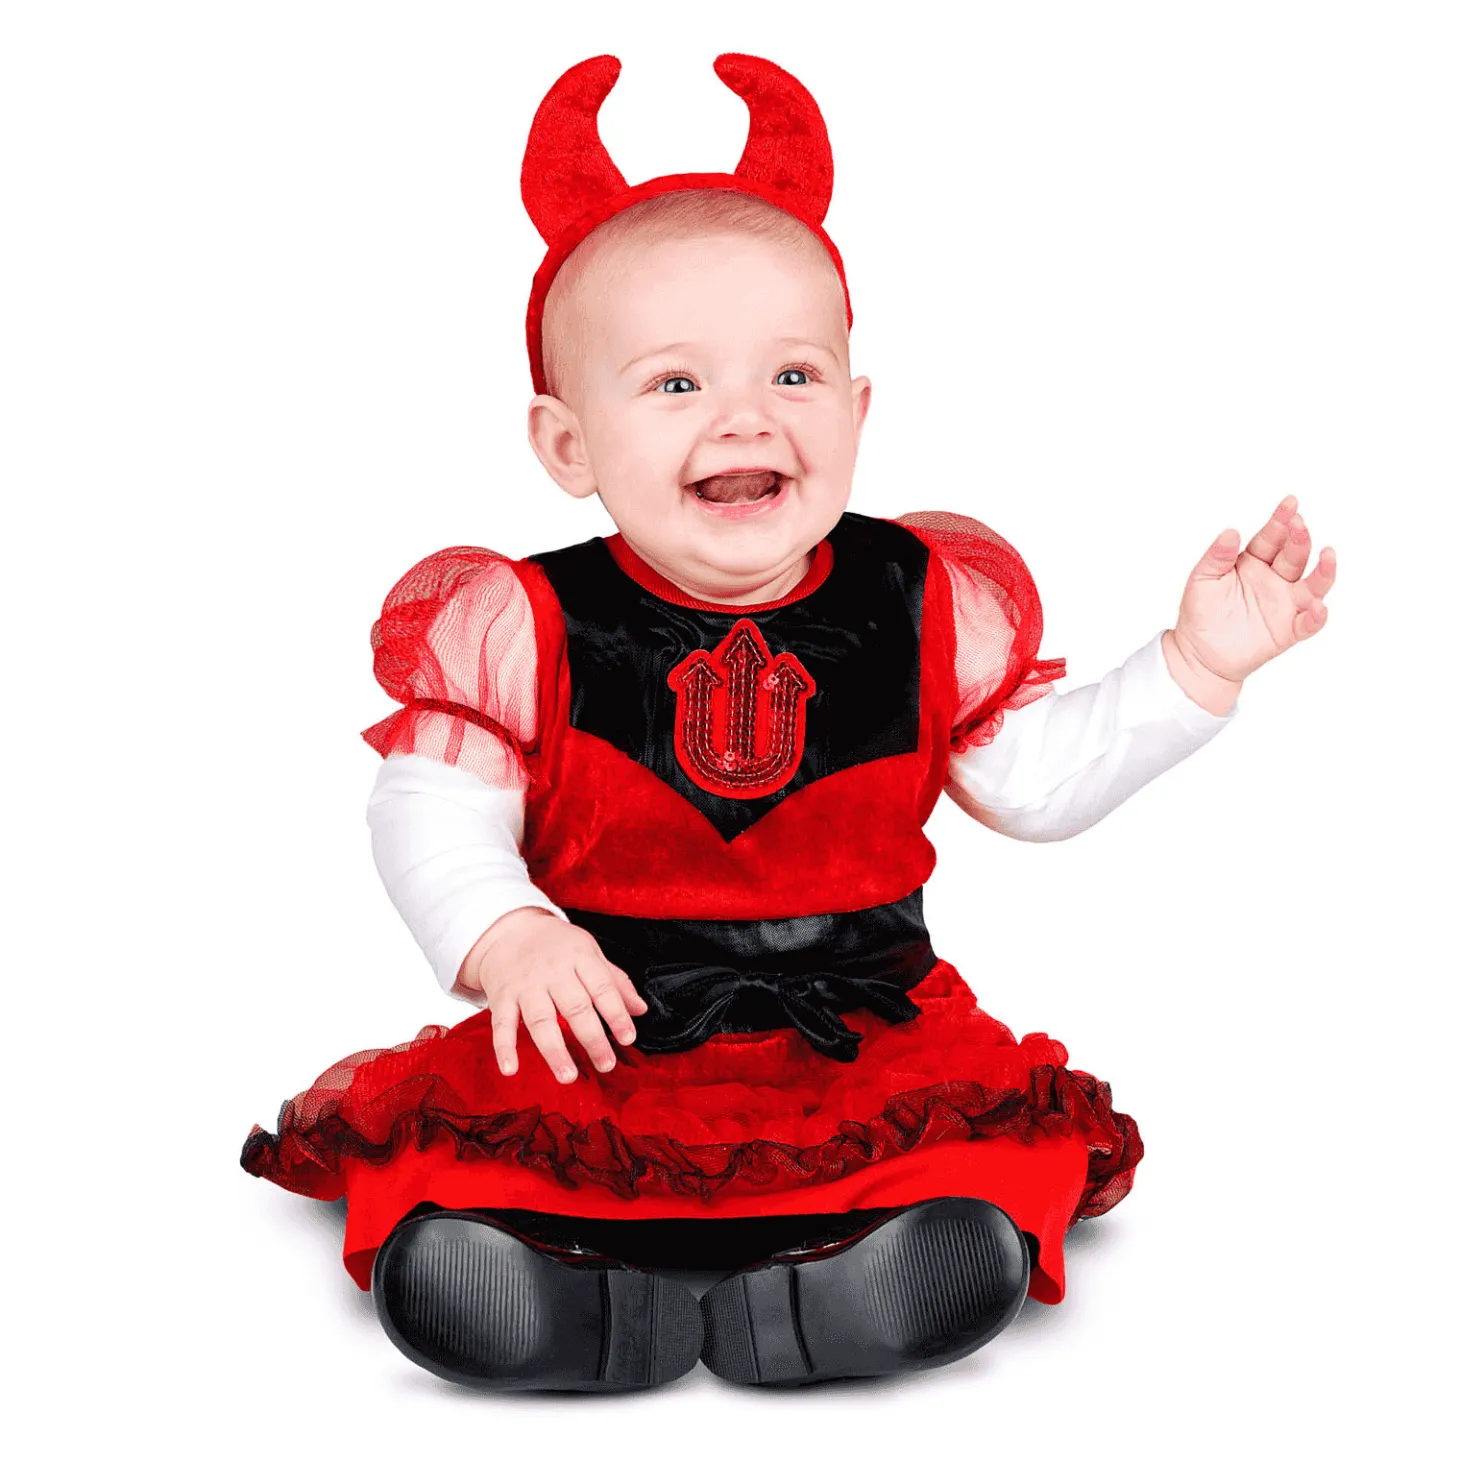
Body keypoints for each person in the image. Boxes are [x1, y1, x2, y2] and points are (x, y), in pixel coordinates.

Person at [241, 52, 1337, 1394]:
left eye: (795, 376)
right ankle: (543, 1280)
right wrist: (504, 931)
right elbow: (430, 802)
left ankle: (869, 1273)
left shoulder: (920, 601)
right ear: (568, 445)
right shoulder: (528, 623)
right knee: (481, 1150)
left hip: (864, 1024)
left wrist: (1192, 668)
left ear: (859, 410)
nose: (745, 417)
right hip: (605, 1023)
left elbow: (1038, 781)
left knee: (985, 1146)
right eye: (676, 385)